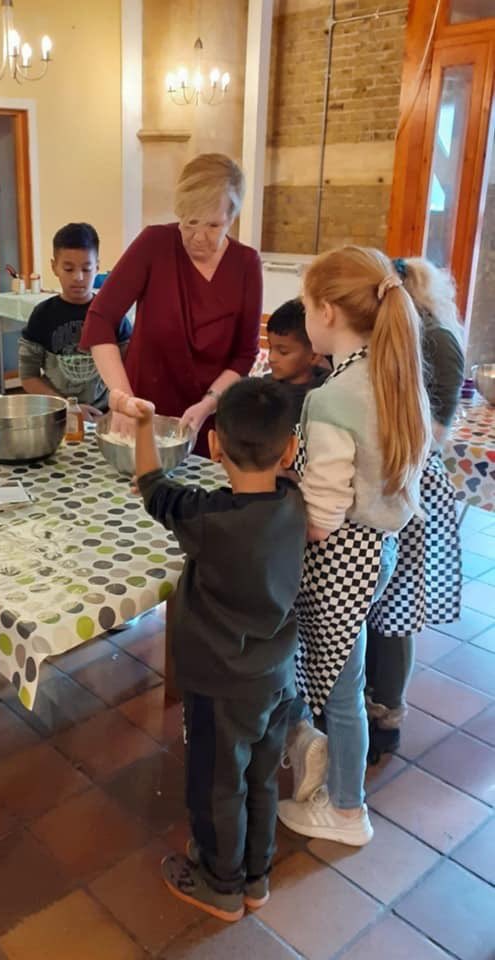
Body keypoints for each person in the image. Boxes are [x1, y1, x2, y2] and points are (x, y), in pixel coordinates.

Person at [112, 379, 306, 921]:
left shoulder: (207, 517)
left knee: (217, 784)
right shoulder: (294, 503)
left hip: (221, 684)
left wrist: (146, 423)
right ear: (290, 450)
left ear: (214, 445)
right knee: (260, 777)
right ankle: (254, 877)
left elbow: (151, 483)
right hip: (276, 677)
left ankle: (220, 885)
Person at [277, 247, 431, 847]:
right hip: (379, 549)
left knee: (342, 691)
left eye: (306, 307)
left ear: (327, 312)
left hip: (341, 556)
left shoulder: (331, 399)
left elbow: (320, 519)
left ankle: (346, 810)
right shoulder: (391, 374)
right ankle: (329, 775)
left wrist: (282, 495)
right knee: (350, 677)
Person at [80, 153, 262, 456]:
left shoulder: (246, 264)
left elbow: (244, 355)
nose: (199, 237)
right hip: (141, 413)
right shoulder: (155, 244)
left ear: (233, 218)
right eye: (190, 223)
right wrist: (123, 398)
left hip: (208, 417)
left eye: (214, 225)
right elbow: (100, 320)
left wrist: (207, 405)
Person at [365, 257, 464, 761]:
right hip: (382, 477)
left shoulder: (438, 341)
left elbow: (437, 430)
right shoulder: (386, 337)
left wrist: (388, 457)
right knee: (372, 597)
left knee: (396, 604)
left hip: (410, 482)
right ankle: (367, 703)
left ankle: (388, 712)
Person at [18, 222, 131, 419]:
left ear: (97, 267)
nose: (78, 277)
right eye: (68, 269)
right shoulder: (42, 315)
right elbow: (29, 376)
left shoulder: (113, 315)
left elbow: (131, 371)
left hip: (105, 416)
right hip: (57, 415)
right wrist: (66, 407)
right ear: (54, 267)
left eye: (86, 269)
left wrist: (115, 413)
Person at [263, 298, 329, 422]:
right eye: (270, 348)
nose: (271, 358)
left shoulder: (326, 395)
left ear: (314, 356)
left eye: (283, 352)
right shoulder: (262, 393)